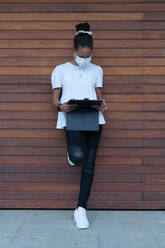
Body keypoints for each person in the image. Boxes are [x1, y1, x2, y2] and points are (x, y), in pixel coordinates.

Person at [51, 22, 108, 229]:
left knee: (90, 166)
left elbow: (99, 95)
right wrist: (60, 107)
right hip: (72, 118)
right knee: (78, 157)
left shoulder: (97, 70)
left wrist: (102, 104)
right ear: (74, 50)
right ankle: (73, 156)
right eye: (81, 55)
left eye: (88, 56)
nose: (85, 59)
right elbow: (55, 98)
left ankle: (81, 209)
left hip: (94, 119)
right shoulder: (60, 70)